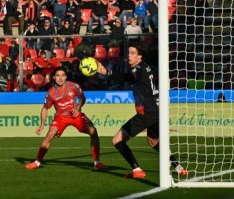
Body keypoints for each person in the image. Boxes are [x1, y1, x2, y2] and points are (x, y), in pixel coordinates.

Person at [96, 43, 188, 179]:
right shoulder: (146, 67)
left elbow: (126, 77)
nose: (129, 55)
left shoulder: (138, 69)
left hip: (146, 112)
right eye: (128, 53)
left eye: (133, 53)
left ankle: (137, 170)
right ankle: (179, 167)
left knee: (117, 140)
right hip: (156, 111)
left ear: (140, 56)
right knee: (153, 141)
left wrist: (107, 72)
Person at [25, 67, 107, 170]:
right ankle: (37, 162)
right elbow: (45, 109)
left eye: (63, 75)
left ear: (66, 77)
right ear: (54, 77)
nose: (61, 78)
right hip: (60, 117)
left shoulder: (73, 86)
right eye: (58, 75)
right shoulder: (51, 93)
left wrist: (77, 108)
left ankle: (97, 162)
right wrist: (42, 125)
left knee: (93, 131)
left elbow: (82, 97)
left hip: (75, 115)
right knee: (49, 135)